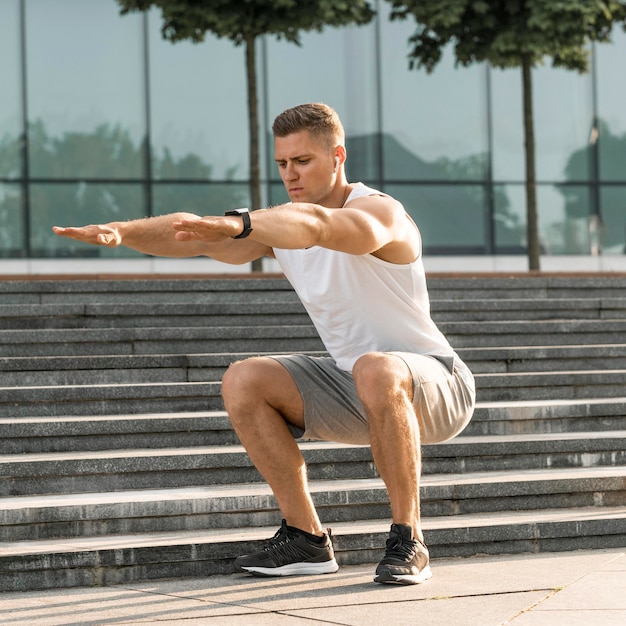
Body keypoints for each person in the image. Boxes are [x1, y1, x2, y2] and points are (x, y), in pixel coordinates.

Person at [53, 102, 475, 585]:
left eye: (303, 161)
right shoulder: (278, 228)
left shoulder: (380, 211)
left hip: (437, 383)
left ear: (337, 156)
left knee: (377, 368)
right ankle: (306, 539)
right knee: (245, 379)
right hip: (355, 384)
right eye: (282, 164)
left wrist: (241, 222)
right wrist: (123, 232)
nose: (290, 174)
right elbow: (194, 236)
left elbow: (322, 227)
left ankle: (409, 539)